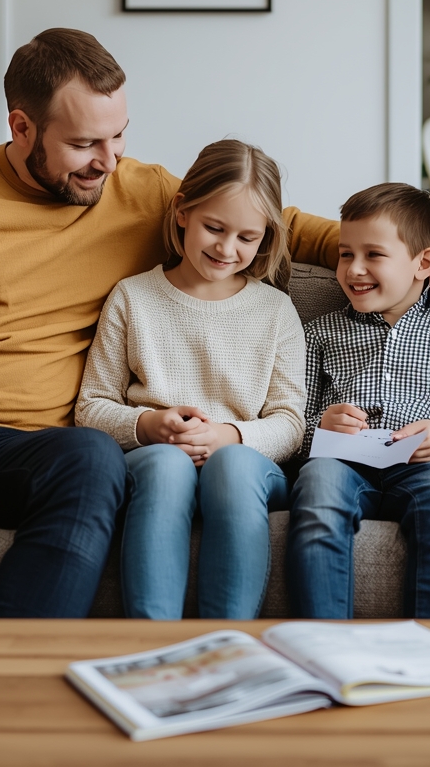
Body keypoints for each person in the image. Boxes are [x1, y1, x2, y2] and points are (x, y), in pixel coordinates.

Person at [0, 28, 338, 644]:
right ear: (22, 128)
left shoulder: (138, 189)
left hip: (42, 450)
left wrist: (400, 255)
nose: (108, 160)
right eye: (83, 143)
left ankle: (10, 684)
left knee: (95, 458)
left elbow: (270, 219)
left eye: (119, 134)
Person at [76, 140, 304, 619]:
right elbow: (91, 406)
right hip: (156, 459)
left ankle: (228, 645)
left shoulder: (275, 311)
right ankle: (155, 644)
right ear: (182, 212)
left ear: (265, 237)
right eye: (214, 228)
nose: (226, 249)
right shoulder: (133, 298)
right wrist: (150, 426)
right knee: (166, 466)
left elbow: (290, 421)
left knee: (233, 466)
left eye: (247, 237)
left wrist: (230, 435)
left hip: (246, 467)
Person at [286, 183, 430, 619]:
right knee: (318, 491)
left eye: (373, 255)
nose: (354, 269)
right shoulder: (320, 333)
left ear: (424, 263)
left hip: (426, 465)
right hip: (340, 462)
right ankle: (325, 643)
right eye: (346, 253)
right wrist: (320, 426)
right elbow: (288, 419)